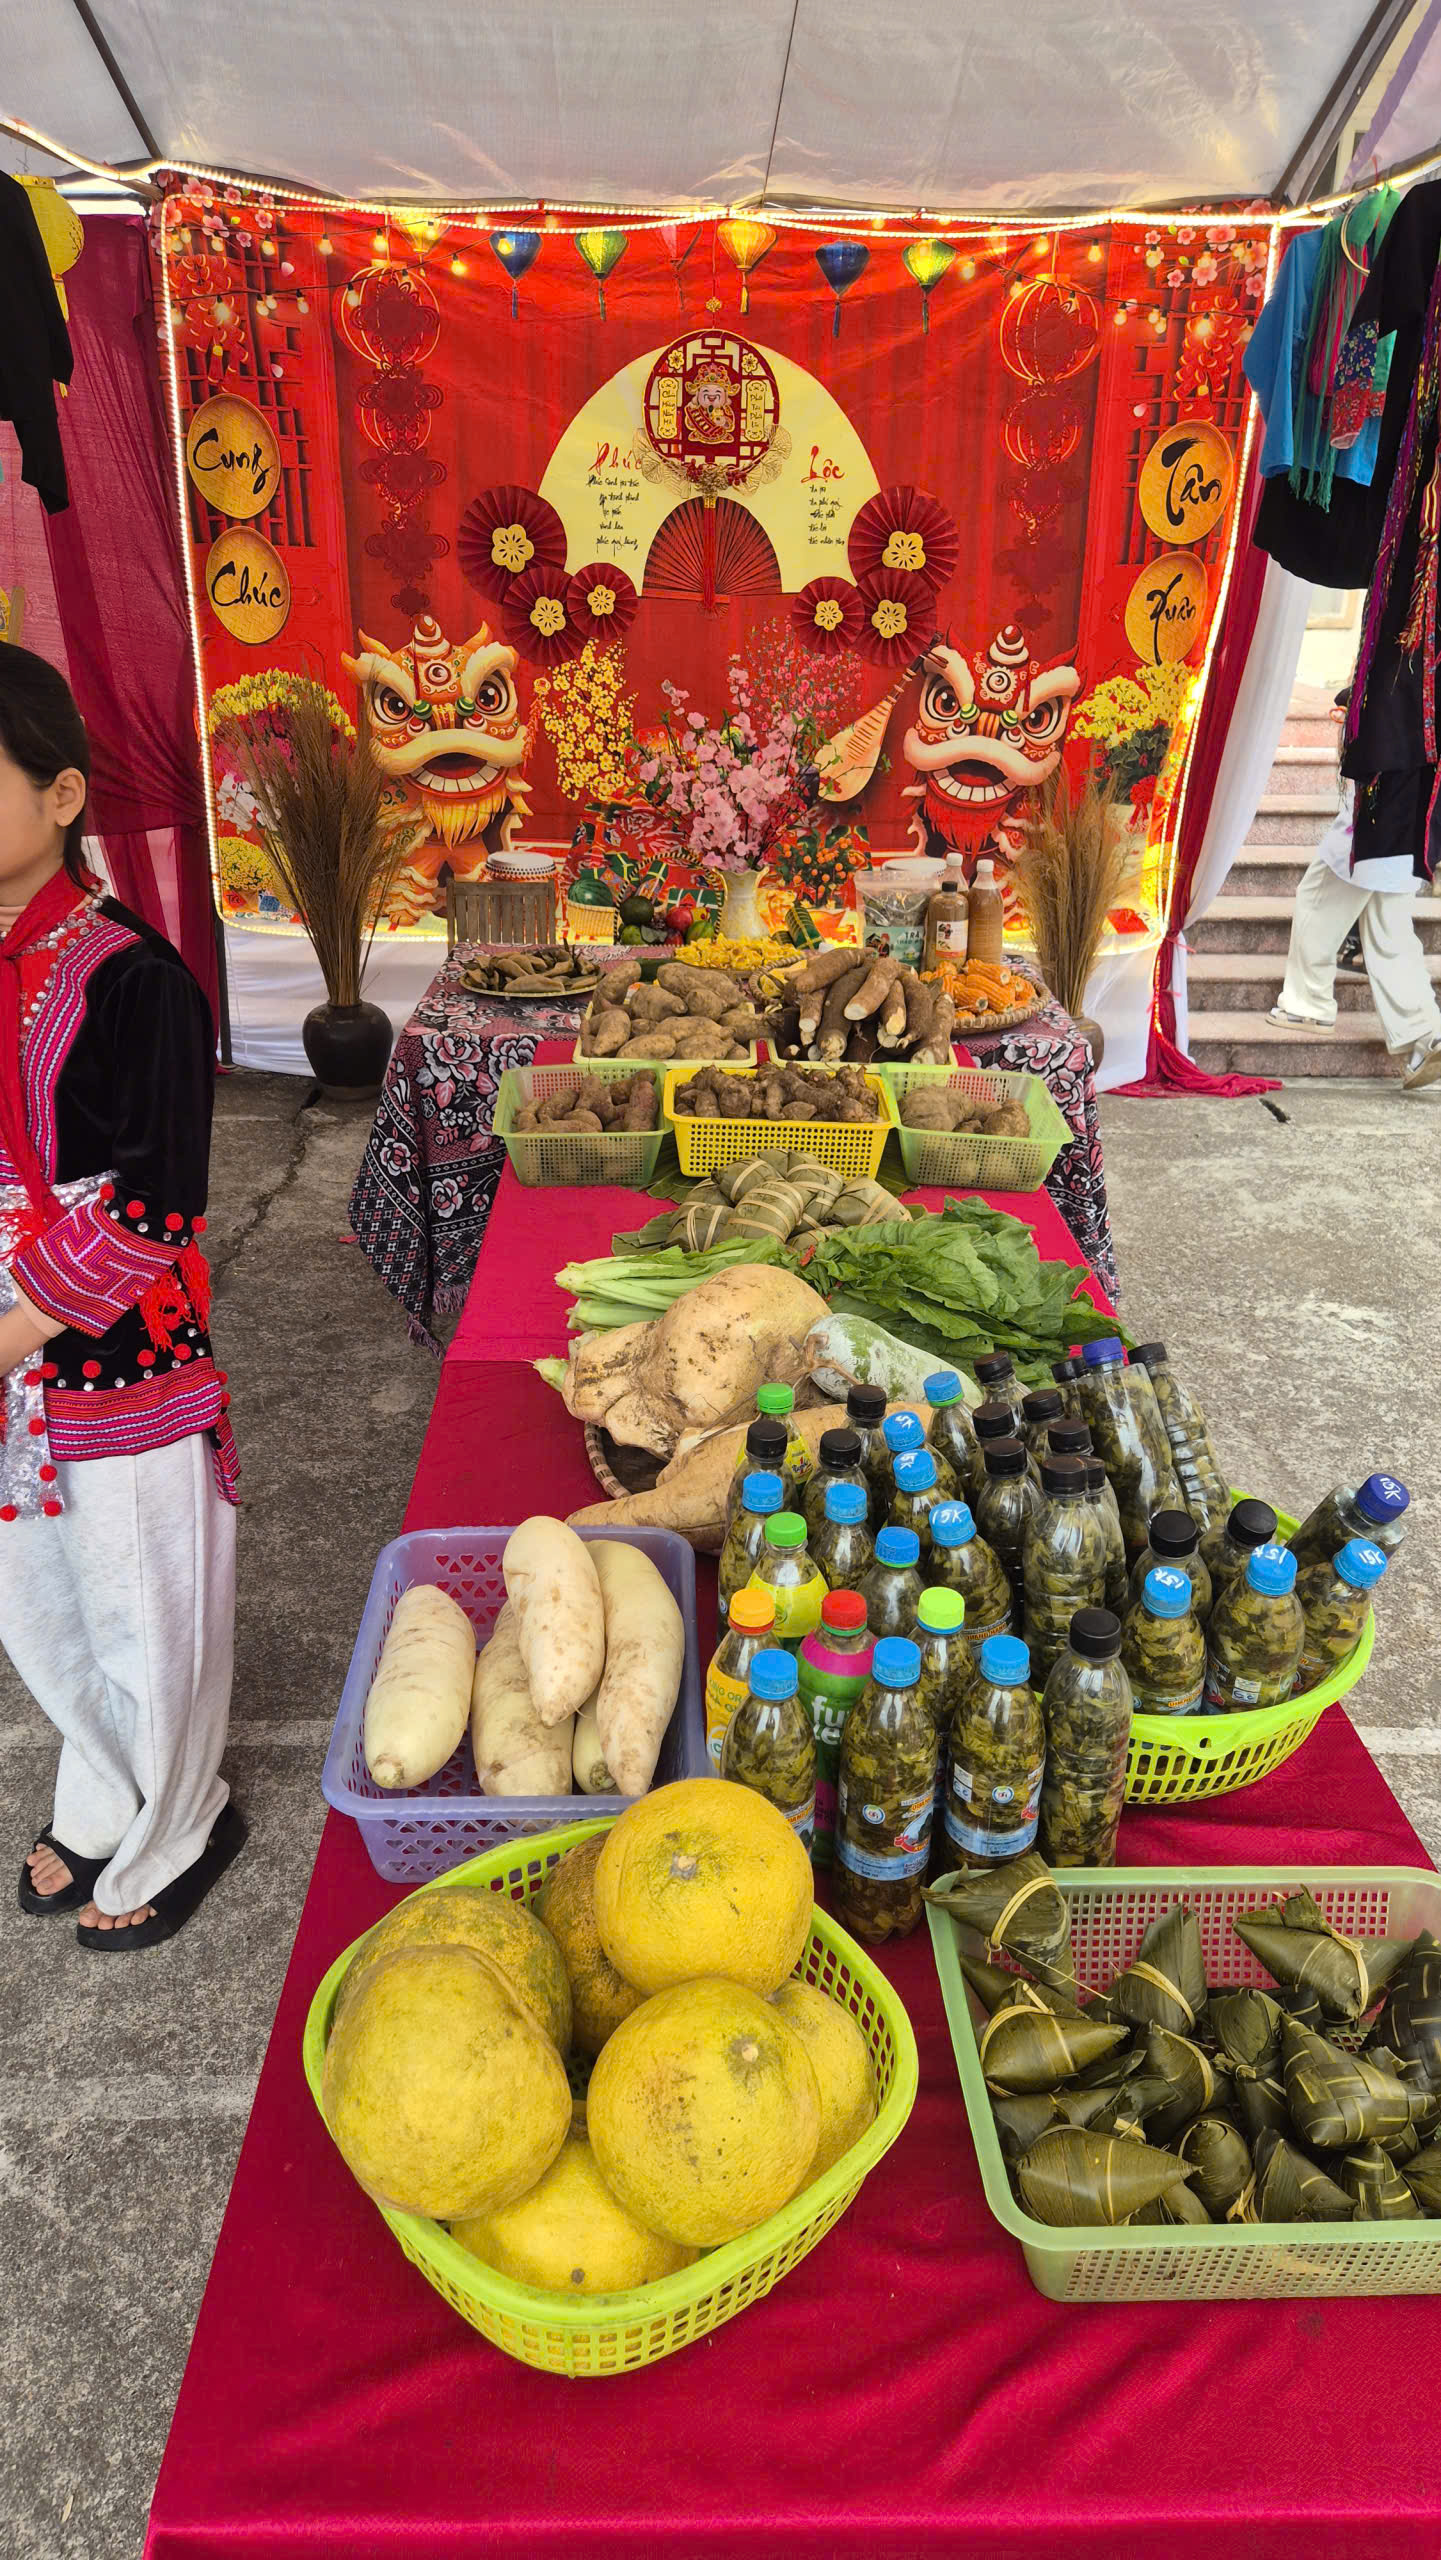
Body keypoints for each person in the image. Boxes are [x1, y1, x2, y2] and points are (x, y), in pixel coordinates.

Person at [0, 645, 242, 1948]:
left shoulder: (136, 978)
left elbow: (155, 1206)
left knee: (144, 1603)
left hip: (110, 1341)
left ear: (62, 795)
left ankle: (183, 1816)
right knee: (35, 1600)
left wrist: (11, 1331)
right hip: (8, 1348)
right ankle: (99, 1792)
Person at [1269, 684, 1441, 1090]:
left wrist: (1359, 703)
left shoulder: (1411, 655)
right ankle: (1425, 1032)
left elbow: (1394, 686)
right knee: (1389, 931)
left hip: (1382, 809)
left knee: (1319, 898)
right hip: (1417, 814)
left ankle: (1307, 1003)